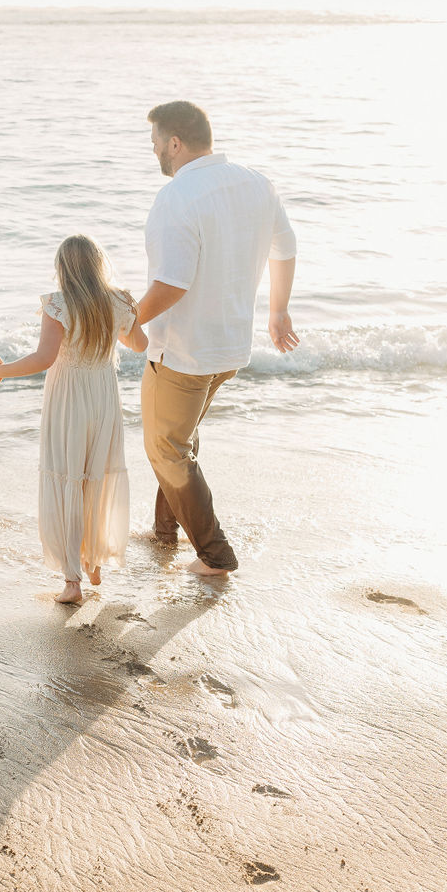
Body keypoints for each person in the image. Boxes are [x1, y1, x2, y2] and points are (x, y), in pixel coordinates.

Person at [137, 101, 298, 576]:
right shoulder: (256, 183)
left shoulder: (178, 196)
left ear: (174, 143)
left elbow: (172, 284)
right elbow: (285, 248)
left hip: (184, 352)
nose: (154, 154)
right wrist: (278, 309)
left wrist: (125, 323)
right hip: (229, 348)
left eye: (154, 144)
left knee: (166, 447)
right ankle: (165, 531)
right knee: (179, 440)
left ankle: (215, 555)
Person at [0, 235, 147, 605]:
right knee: (96, 475)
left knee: (67, 474)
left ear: (63, 269)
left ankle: (72, 581)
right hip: (103, 393)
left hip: (69, 397)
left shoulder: (58, 305)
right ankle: (95, 559)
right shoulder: (119, 301)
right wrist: (130, 311)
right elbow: (139, 344)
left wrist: (1, 371)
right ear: (98, 264)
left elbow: (43, 359)